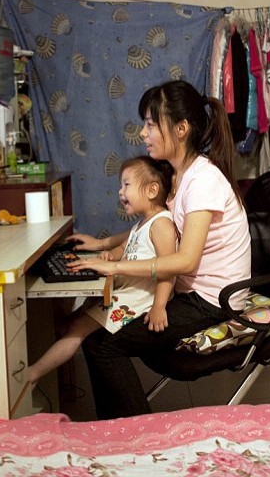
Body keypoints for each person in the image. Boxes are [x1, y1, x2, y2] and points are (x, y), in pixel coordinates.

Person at [67, 79, 252, 419]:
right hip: (191, 293)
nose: (143, 133)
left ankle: (140, 438)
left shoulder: (203, 181)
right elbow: (154, 226)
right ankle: (115, 430)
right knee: (96, 337)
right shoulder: (178, 176)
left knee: (105, 344)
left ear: (181, 129)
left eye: (151, 123)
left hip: (213, 301)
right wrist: (105, 244)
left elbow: (184, 260)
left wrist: (115, 267)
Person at [26, 156, 177, 393]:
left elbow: (168, 269)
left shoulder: (162, 225)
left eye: (126, 185)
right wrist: (110, 254)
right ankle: (64, 327)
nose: (120, 192)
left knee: (78, 328)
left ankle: (32, 374)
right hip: (127, 289)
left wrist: (159, 306)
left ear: (152, 190)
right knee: (81, 311)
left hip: (140, 299)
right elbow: (128, 246)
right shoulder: (143, 223)